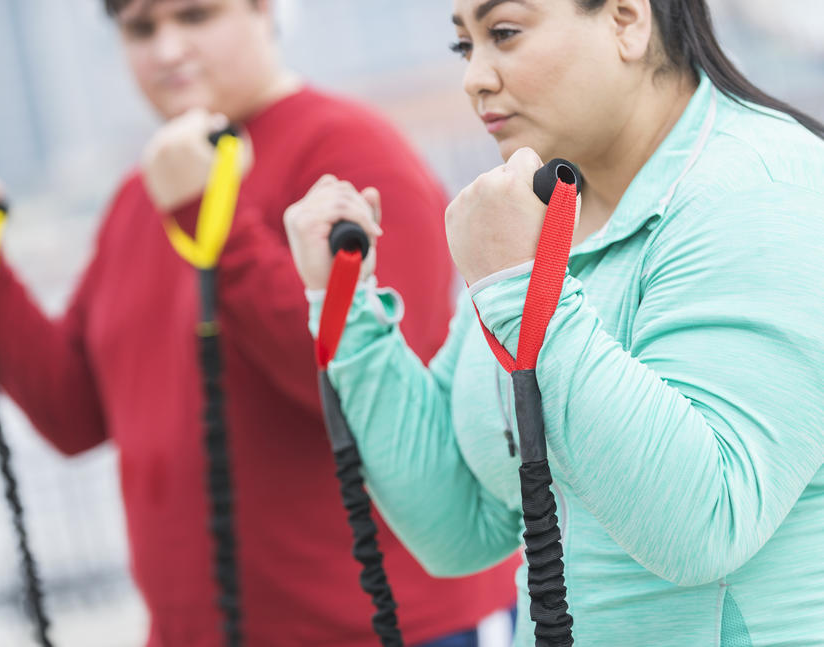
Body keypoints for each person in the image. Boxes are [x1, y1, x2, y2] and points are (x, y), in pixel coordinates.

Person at [0, 0, 517, 645]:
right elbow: (73, 414)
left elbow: (372, 388)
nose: (167, 50)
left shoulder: (348, 145)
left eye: (195, 16)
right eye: (141, 29)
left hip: (389, 626)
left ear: (264, 11)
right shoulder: (140, 196)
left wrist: (207, 213)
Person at [283, 0, 824, 645]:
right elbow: (457, 522)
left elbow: (705, 525)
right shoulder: (534, 214)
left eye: (503, 33)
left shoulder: (760, 190)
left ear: (626, 19)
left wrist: (520, 289)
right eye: (465, 46)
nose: (474, 77)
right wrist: (347, 307)